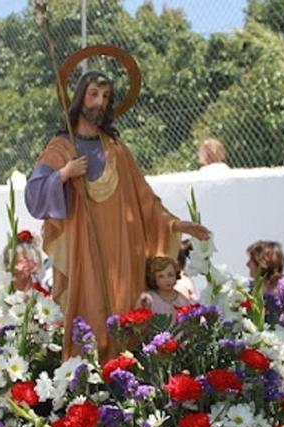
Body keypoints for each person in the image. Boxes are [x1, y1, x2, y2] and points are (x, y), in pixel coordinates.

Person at [25, 70, 209, 361]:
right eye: (94, 94)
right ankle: (89, 391)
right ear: (80, 98)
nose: (100, 102)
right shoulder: (62, 147)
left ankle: (129, 388)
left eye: (106, 96)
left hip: (125, 256)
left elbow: (145, 200)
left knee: (127, 320)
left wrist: (176, 224)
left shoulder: (117, 150)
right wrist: (64, 174)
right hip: (85, 254)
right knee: (91, 318)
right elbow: (34, 196)